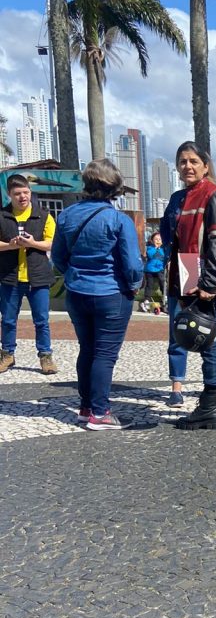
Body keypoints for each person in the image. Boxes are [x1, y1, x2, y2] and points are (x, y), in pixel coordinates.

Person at [50, 159, 143, 430]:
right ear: (114, 187)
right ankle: (100, 413)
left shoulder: (66, 215)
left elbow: (58, 257)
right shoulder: (118, 220)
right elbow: (132, 264)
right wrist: (134, 284)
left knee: (87, 349)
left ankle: (86, 407)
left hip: (77, 293)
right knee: (105, 354)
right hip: (111, 293)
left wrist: (75, 273)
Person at [160, 141, 216, 426]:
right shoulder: (178, 198)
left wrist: (208, 283)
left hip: (205, 274)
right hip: (185, 269)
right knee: (205, 337)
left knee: (208, 340)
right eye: (182, 161)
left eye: (193, 161)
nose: (188, 166)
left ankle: (208, 406)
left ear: (205, 166)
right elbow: (169, 237)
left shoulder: (214, 195)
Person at [0, 173, 58, 375]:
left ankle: (45, 356)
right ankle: (7, 354)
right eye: (17, 193)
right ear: (9, 194)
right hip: (10, 277)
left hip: (38, 277)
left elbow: (52, 243)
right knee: (8, 320)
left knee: (41, 320)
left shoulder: (43, 216)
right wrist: (10, 245)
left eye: (26, 192)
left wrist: (33, 243)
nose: (22, 197)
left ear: (30, 192)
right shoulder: (2, 216)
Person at [140, 231, 166, 313]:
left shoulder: (163, 249)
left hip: (160, 268)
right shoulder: (150, 248)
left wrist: (159, 248)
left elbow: (163, 256)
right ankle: (146, 300)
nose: (158, 241)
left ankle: (165, 297)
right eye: (156, 239)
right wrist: (155, 248)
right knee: (149, 284)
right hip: (150, 269)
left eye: (160, 239)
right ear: (152, 240)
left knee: (162, 281)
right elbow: (151, 255)